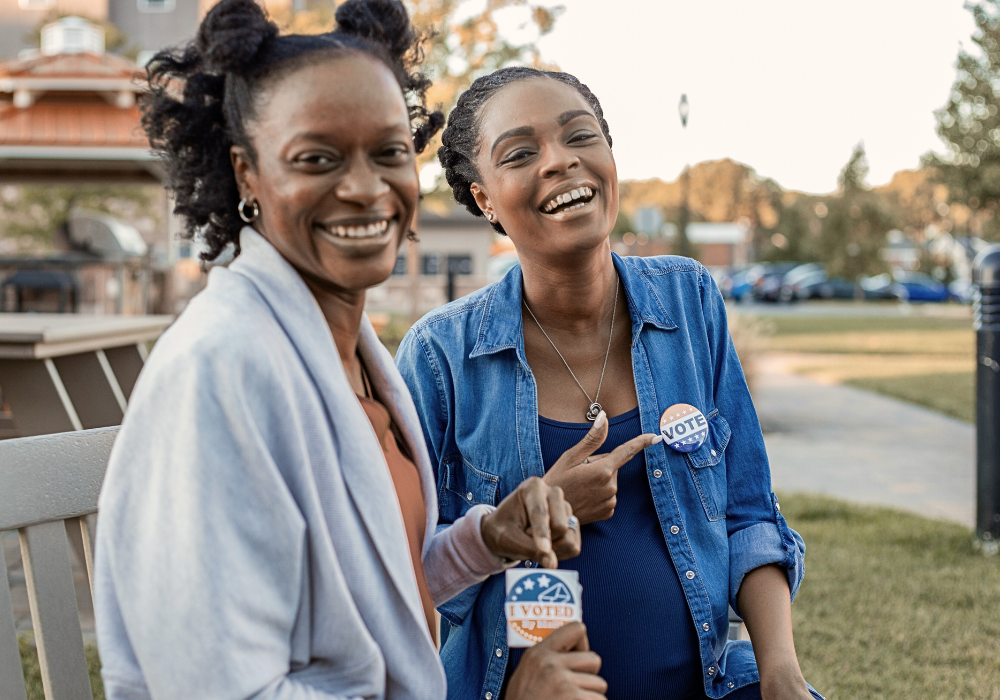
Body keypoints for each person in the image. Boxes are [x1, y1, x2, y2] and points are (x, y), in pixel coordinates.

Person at [93, 4, 607, 699]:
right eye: (318, 159)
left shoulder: (350, 348)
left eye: (390, 152)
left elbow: (373, 591)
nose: (367, 188)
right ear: (248, 174)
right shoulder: (220, 369)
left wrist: (486, 538)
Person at [395, 66, 823, 700]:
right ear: (484, 198)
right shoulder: (439, 357)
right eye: (520, 153)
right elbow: (401, 577)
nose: (560, 162)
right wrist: (527, 517)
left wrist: (781, 672)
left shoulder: (688, 301)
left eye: (581, 136)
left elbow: (747, 514)